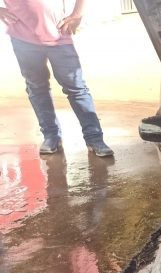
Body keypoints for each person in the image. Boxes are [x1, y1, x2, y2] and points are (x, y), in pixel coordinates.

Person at [0, 0, 113, 156]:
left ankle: (95, 138)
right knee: (37, 88)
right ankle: (51, 136)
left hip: (58, 34)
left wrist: (77, 14)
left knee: (76, 88)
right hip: (23, 39)